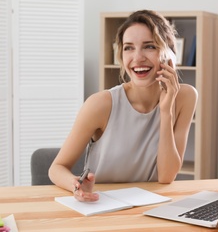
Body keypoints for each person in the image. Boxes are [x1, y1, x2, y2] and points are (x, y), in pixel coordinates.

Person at [49, 10, 198, 202]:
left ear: (168, 56)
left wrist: (166, 111)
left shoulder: (184, 97)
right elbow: (57, 168)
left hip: (151, 206)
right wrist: (76, 185)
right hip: (100, 205)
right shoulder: (100, 104)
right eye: (128, 48)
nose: (137, 57)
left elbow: (166, 176)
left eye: (149, 46)